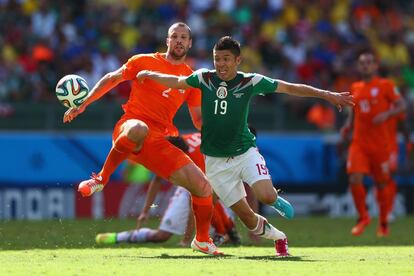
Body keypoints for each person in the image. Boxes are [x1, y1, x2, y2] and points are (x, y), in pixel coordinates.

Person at [136, 36, 354, 256]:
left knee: (266, 196)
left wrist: (327, 94)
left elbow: (289, 87)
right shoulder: (203, 78)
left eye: (226, 59)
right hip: (215, 162)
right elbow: (176, 81)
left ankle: (275, 199)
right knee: (248, 219)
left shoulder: (249, 81)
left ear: (238, 60)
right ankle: (280, 238)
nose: (220, 64)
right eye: (217, 59)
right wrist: (150, 74)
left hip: (245, 153)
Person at [63, 22, 222, 255]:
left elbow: (198, 119)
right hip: (130, 128)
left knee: (203, 187)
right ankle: (101, 178)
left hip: (160, 140)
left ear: (189, 43)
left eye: (183, 37)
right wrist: (84, 103)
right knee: (138, 128)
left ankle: (202, 240)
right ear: (167, 40)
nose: (178, 40)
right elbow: (112, 78)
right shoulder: (143, 61)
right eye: (174, 36)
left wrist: (219, 129)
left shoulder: (192, 79)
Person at [95, 133, 239, 246]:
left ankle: (225, 231)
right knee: (162, 236)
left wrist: (187, 239)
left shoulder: (195, 160)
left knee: (208, 200)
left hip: (207, 181)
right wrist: (145, 211)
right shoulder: (177, 146)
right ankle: (118, 238)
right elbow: (157, 180)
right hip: (194, 184)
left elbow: (198, 199)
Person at [340, 49, 406, 237]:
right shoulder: (356, 87)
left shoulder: (386, 85)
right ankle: (363, 218)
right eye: (362, 63)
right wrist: (347, 126)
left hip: (380, 145)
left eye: (369, 62)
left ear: (375, 66)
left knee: (382, 183)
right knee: (354, 178)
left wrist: (387, 113)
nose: (365, 65)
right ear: (359, 66)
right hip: (359, 143)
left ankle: (384, 222)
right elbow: (353, 112)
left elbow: (402, 105)